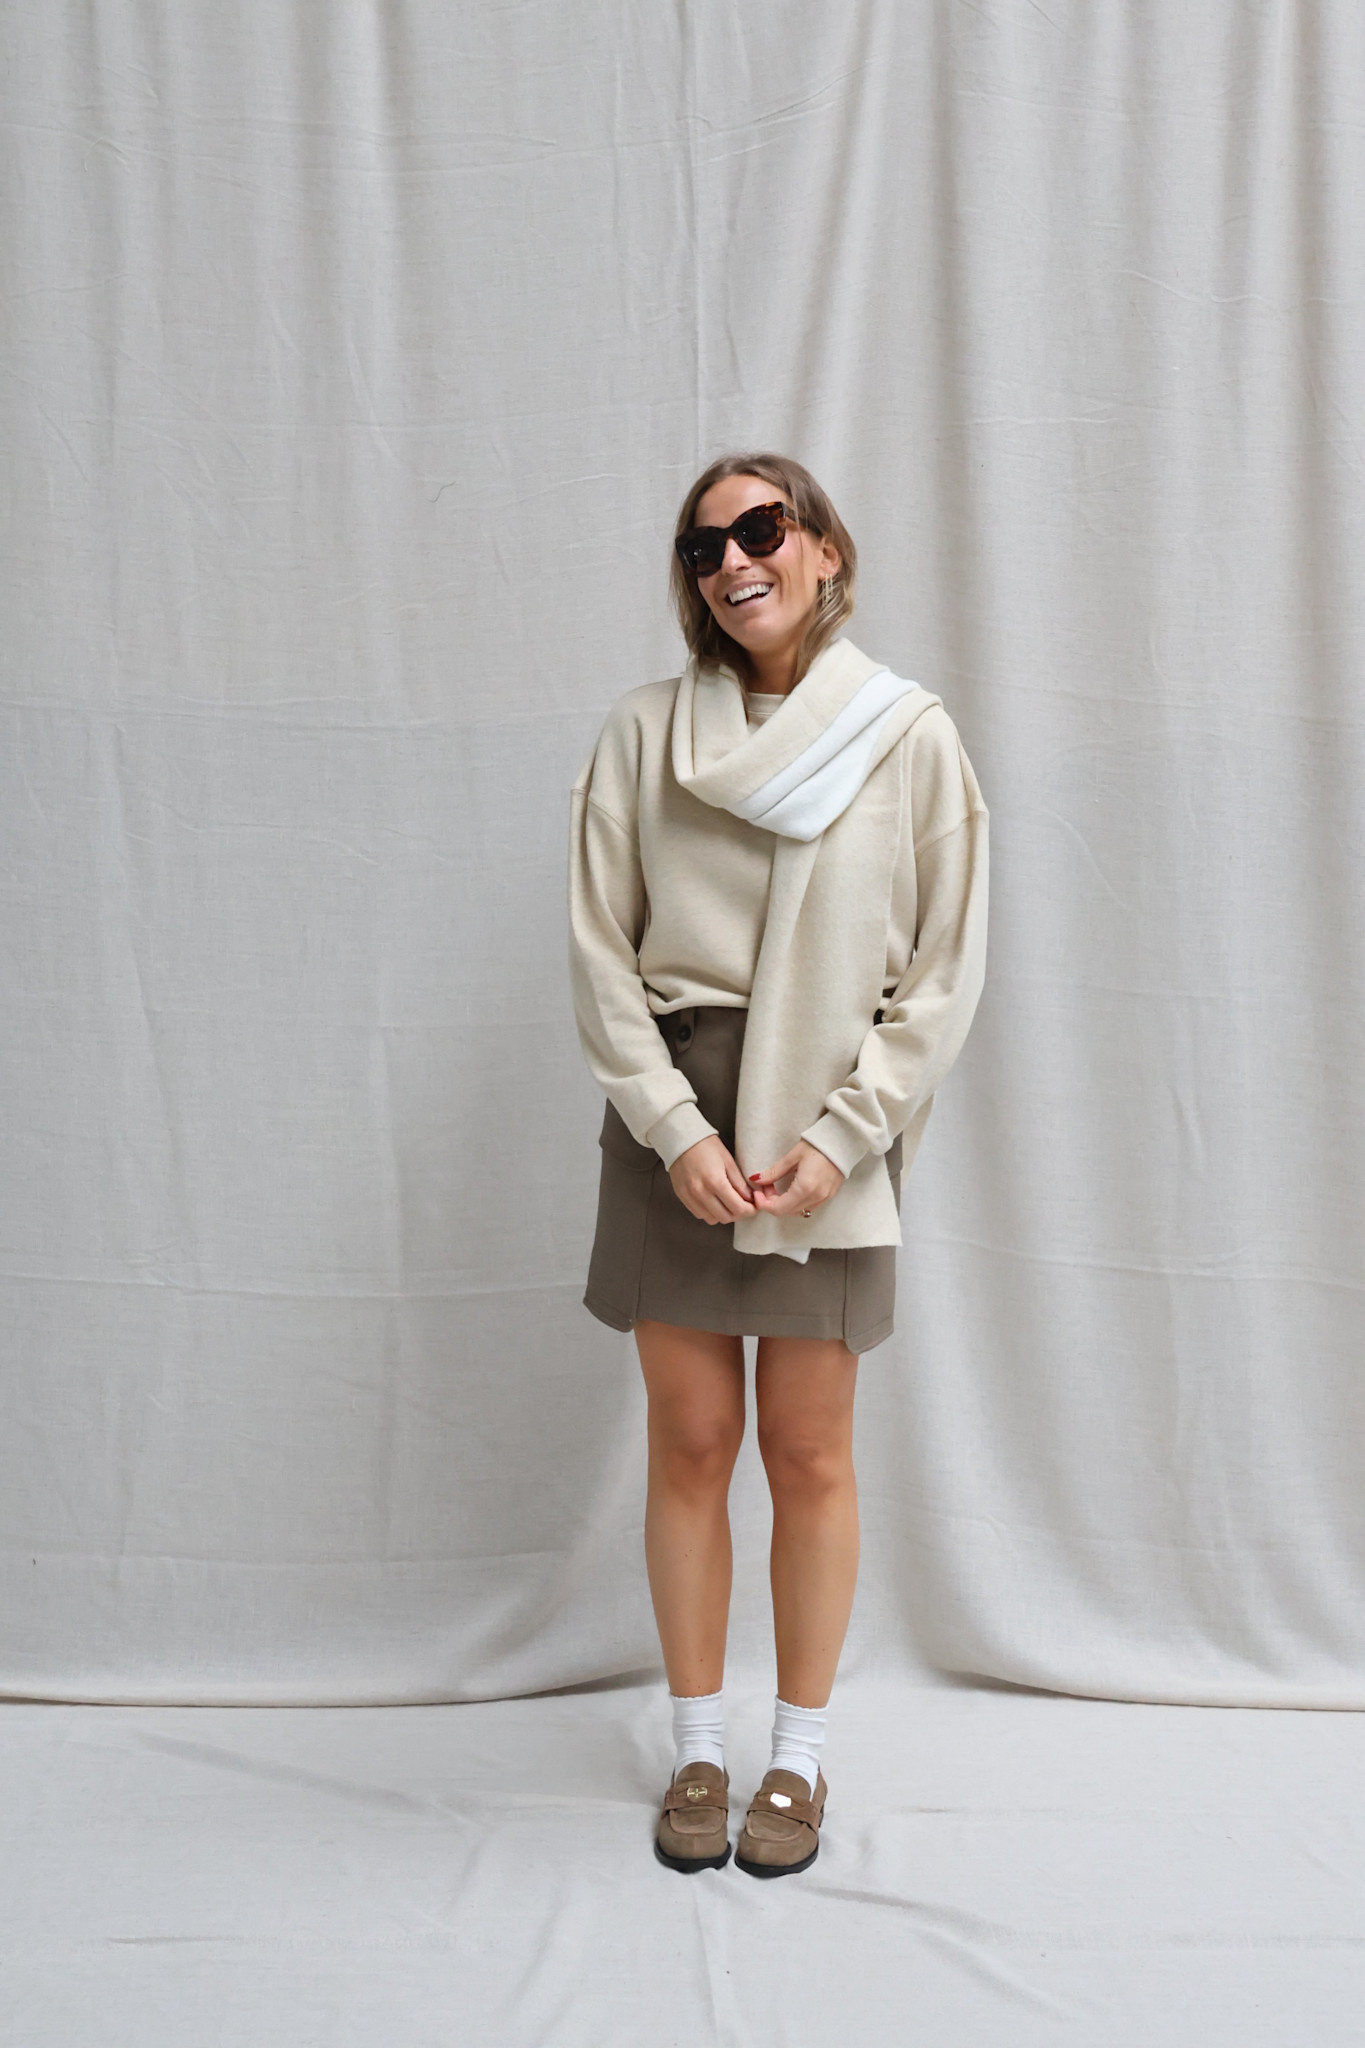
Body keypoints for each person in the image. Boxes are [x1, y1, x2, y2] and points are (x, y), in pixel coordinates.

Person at [567, 452, 989, 1877]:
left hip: (830, 1121)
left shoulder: (904, 735)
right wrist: (672, 1127)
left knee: (808, 1450)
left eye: (762, 528)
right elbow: (600, 951)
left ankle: (797, 1761)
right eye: (705, 547)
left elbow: (942, 972)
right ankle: (698, 1746)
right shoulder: (644, 733)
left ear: (823, 548)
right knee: (690, 1442)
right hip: (673, 1117)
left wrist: (841, 1138)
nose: (734, 561)